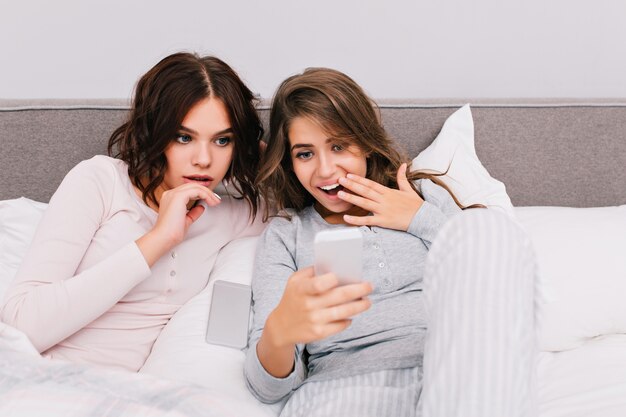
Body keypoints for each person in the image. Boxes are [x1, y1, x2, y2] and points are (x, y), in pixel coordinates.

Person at [244, 68, 538, 417]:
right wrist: (280, 330)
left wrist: (419, 218)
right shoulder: (286, 235)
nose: (324, 170)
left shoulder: (422, 197)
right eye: (305, 154)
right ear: (290, 162)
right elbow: (266, 388)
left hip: (449, 375)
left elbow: (496, 277)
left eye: (339, 145)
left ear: (366, 143)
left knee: (494, 232)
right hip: (340, 391)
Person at [0, 52, 266, 372]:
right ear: (155, 132)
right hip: (33, 373)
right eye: (184, 137)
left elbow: (306, 202)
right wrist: (157, 240)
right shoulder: (101, 182)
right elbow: (22, 324)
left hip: (126, 396)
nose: (204, 159)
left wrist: (260, 152)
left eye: (222, 140)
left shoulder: (234, 215)